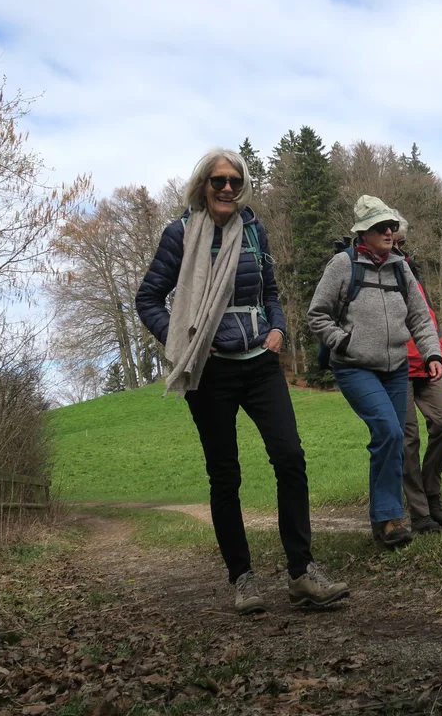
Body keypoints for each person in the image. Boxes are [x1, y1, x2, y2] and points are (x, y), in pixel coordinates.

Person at [136, 147, 349, 615]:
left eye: (235, 181)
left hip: (259, 363)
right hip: (209, 371)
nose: (228, 188)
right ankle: (243, 578)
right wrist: (186, 343)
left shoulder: (253, 230)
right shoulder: (180, 234)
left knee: (290, 457)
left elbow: (270, 292)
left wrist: (278, 328)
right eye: (219, 181)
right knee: (225, 474)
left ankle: (302, 574)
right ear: (202, 186)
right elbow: (148, 298)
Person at [307, 196, 442, 549]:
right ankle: (390, 519)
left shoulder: (401, 268)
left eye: (392, 226)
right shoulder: (342, 265)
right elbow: (317, 315)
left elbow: (418, 317)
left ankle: (383, 520)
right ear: (363, 232)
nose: (389, 231)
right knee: (387, 430)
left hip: (396, 368)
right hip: (354, 368)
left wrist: (431, 353)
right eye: (381, 227)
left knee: (393, 438)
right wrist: (343, 342)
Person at [392, 215, 442, 534]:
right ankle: (419, 512)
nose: (399, 248)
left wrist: (441, 359)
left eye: (402, 242)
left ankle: (431, 492)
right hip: (396, 364)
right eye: (393, 241)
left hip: (428, 362)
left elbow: (429, 317)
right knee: (408, 439)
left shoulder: (412, 269)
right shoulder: (374, 270)